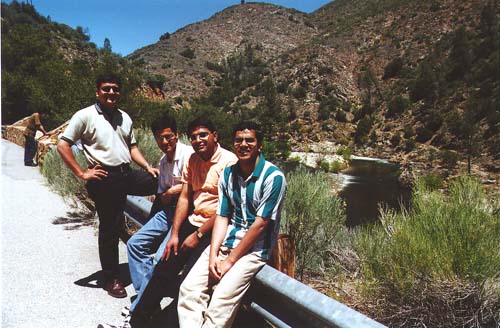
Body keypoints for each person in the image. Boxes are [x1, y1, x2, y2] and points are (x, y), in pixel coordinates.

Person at [98, 117, 237, 328]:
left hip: (215, 227)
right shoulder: (194, 160)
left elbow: (225, 209)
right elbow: (185, 197)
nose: (198, 140)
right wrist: (175, 234)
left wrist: (197, 235)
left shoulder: (229, 163)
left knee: (185, 283)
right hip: (192, 220)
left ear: (215, 136)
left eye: (203, 135)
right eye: (194, 137)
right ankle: (136, 322)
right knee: (163, 267)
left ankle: (151, 318)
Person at [57, 73, 159, 299]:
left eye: (115, 89)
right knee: (110, 228)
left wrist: (148, 166)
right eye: (106, 88)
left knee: (161, 183)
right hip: (104, 178)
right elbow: (63, 145)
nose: (111, 92)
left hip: (126, 173)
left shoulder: (124, 117)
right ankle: (111, 278)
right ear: (97, 91)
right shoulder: (85, 116)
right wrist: (82, 172)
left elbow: (131, 147)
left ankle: (157, 236)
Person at [177, 121, 286, 328]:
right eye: (239, 140)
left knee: (219, 304)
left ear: (259, 145)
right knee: (189, 290)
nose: (243, 145)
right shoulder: (228, 174)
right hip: (227, 242)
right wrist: (213, 256)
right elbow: (222, 216)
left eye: (249, 140)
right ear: (233, 144)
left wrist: (229, 261)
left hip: (253, 251)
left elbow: (260, 225)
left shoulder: (273, 177)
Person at [127, 114, 193, 297]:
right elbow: (162, 195)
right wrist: (168, 194)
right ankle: (145, 294)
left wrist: (172, 192)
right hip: (167, 212)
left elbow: (194, 186)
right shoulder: (163, 162)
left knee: (160, 256)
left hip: (187, 213)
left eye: (168, 136)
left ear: (177, 135)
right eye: (160, 138)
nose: (164, 142)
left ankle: (144, 300)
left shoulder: (189, 155)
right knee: (134, 244)